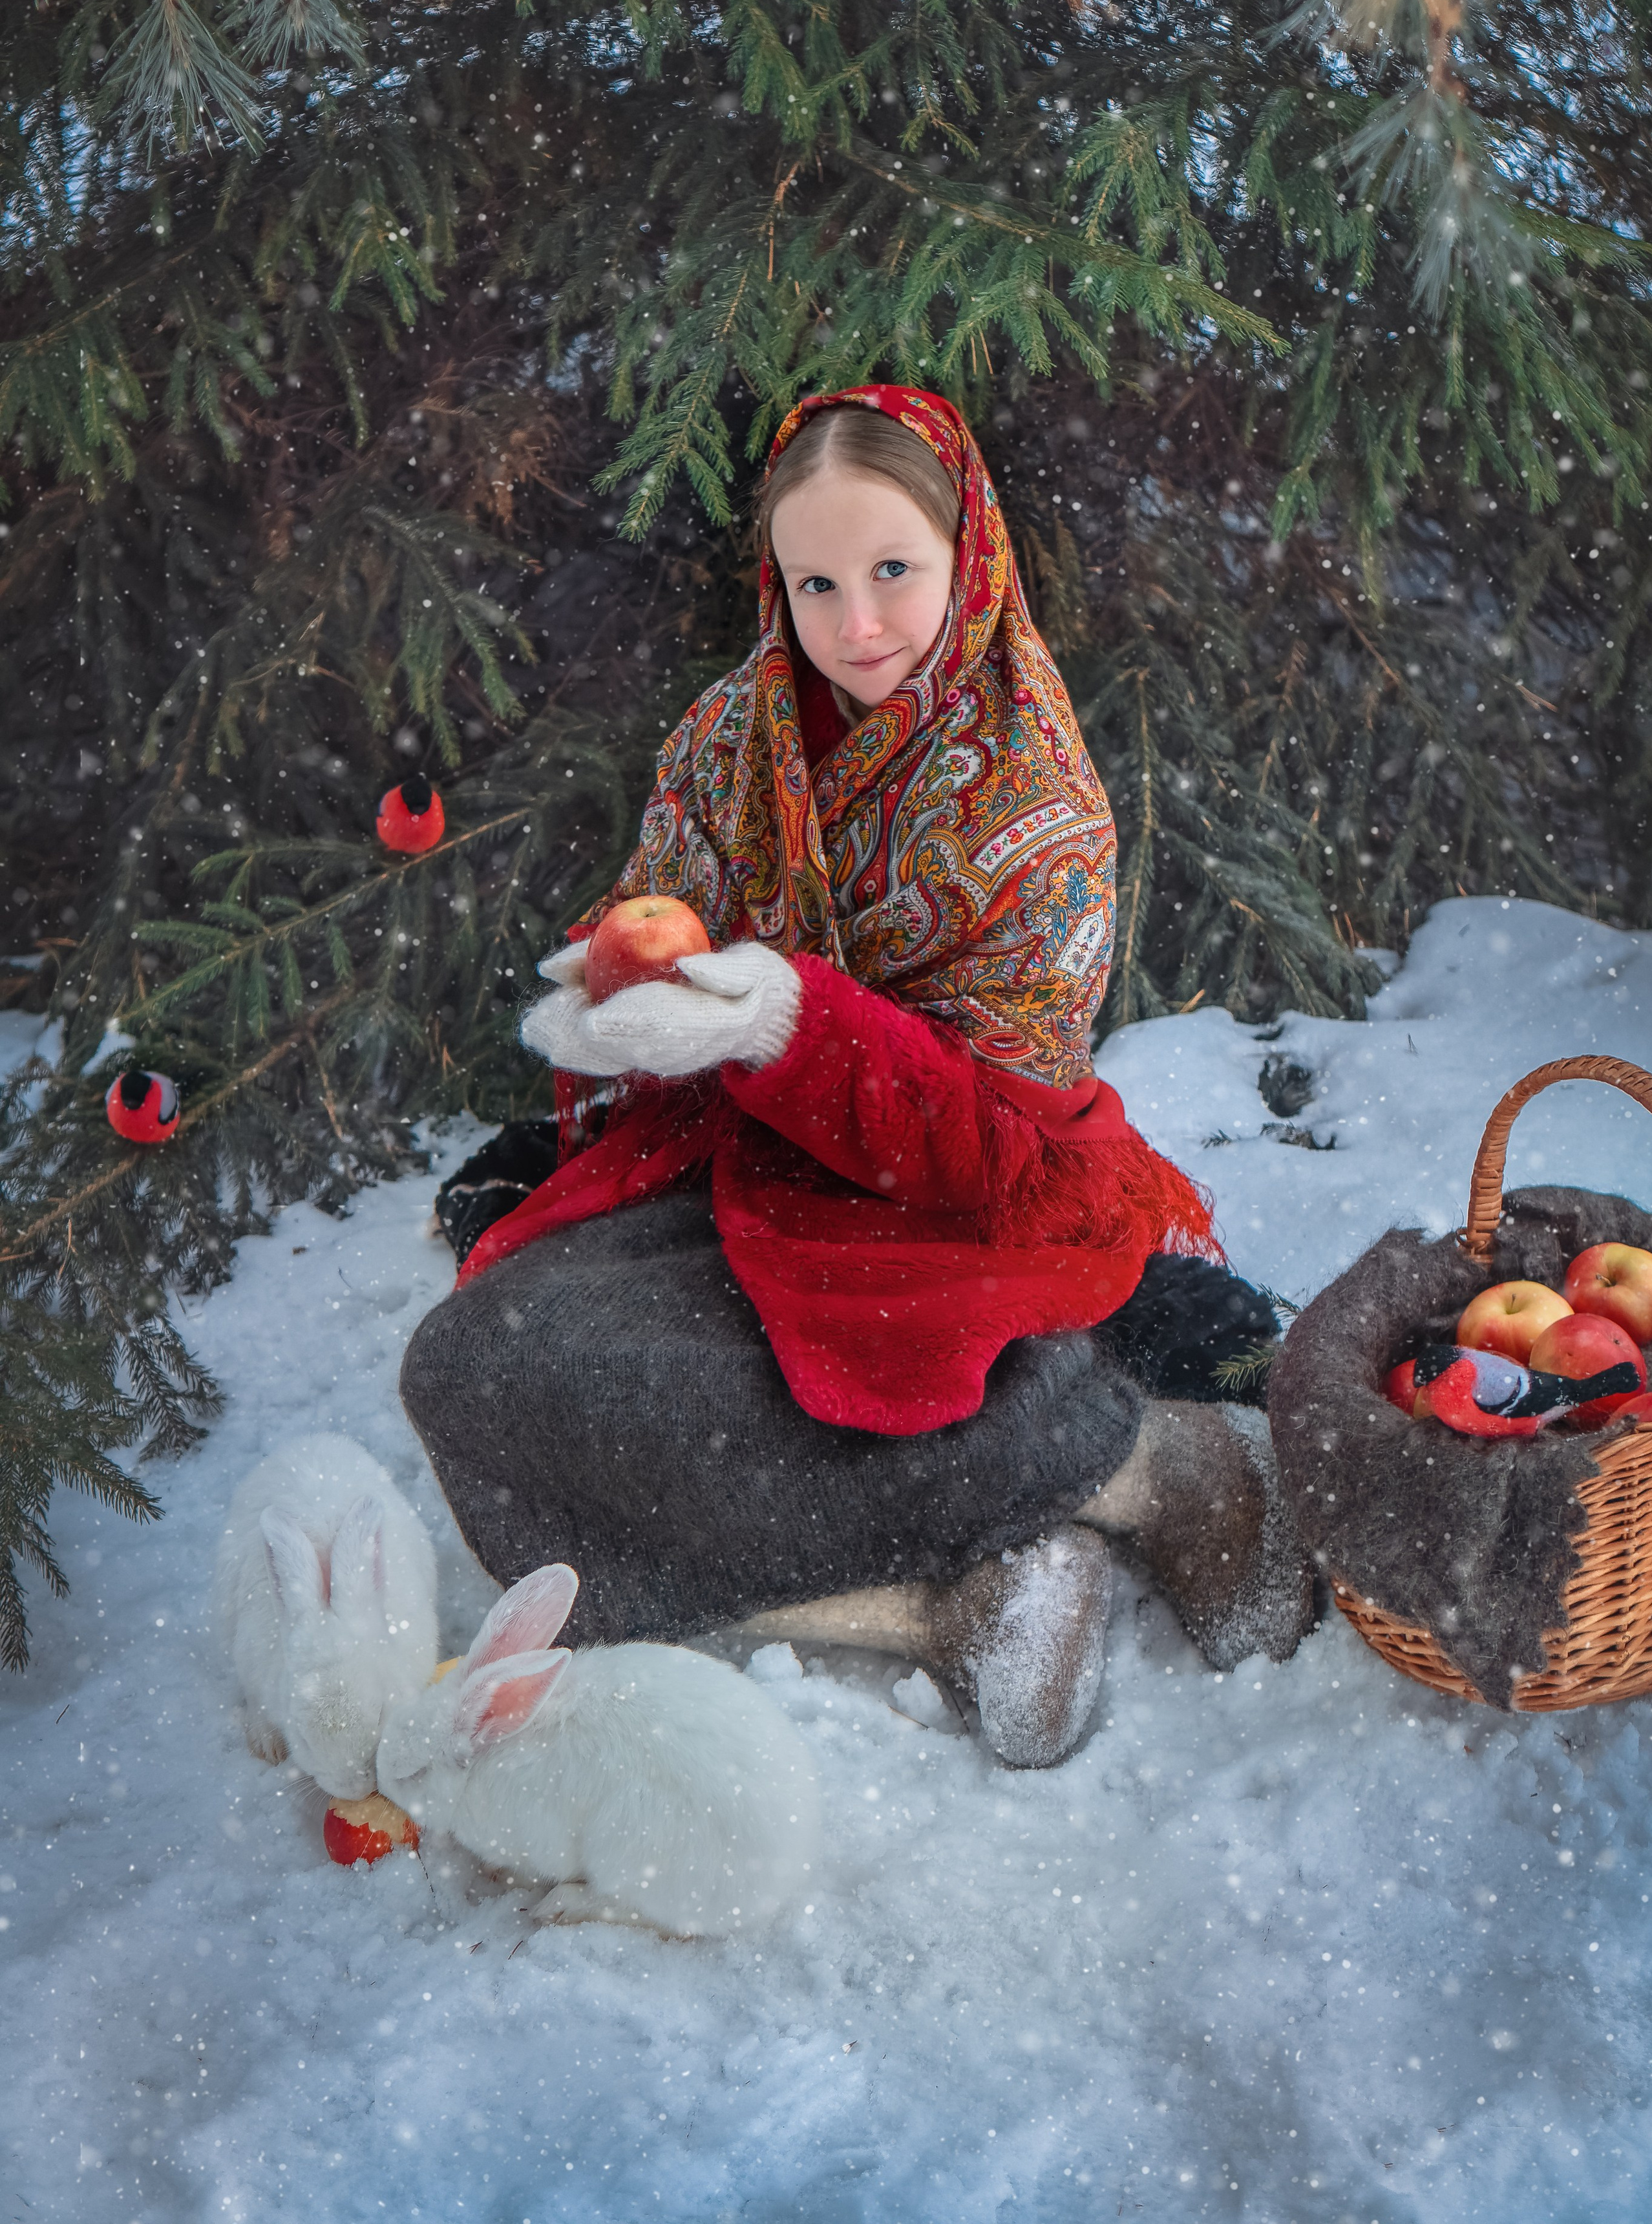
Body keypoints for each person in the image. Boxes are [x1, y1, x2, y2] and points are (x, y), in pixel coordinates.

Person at [403, 387, 1311, 1765]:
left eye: (894, 569)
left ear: (969, 554)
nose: (858, 624)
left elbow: (996, 1145)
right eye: (814, 582)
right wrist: (621, 1014)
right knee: (475, 1370)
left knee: (882, 1372)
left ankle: (1151, 1463)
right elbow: (662, 921)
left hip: (964, 1200)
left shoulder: (1035, 805)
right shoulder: (731, 739)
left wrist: (787, 1023)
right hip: (747, 1172)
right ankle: (937, 1606)